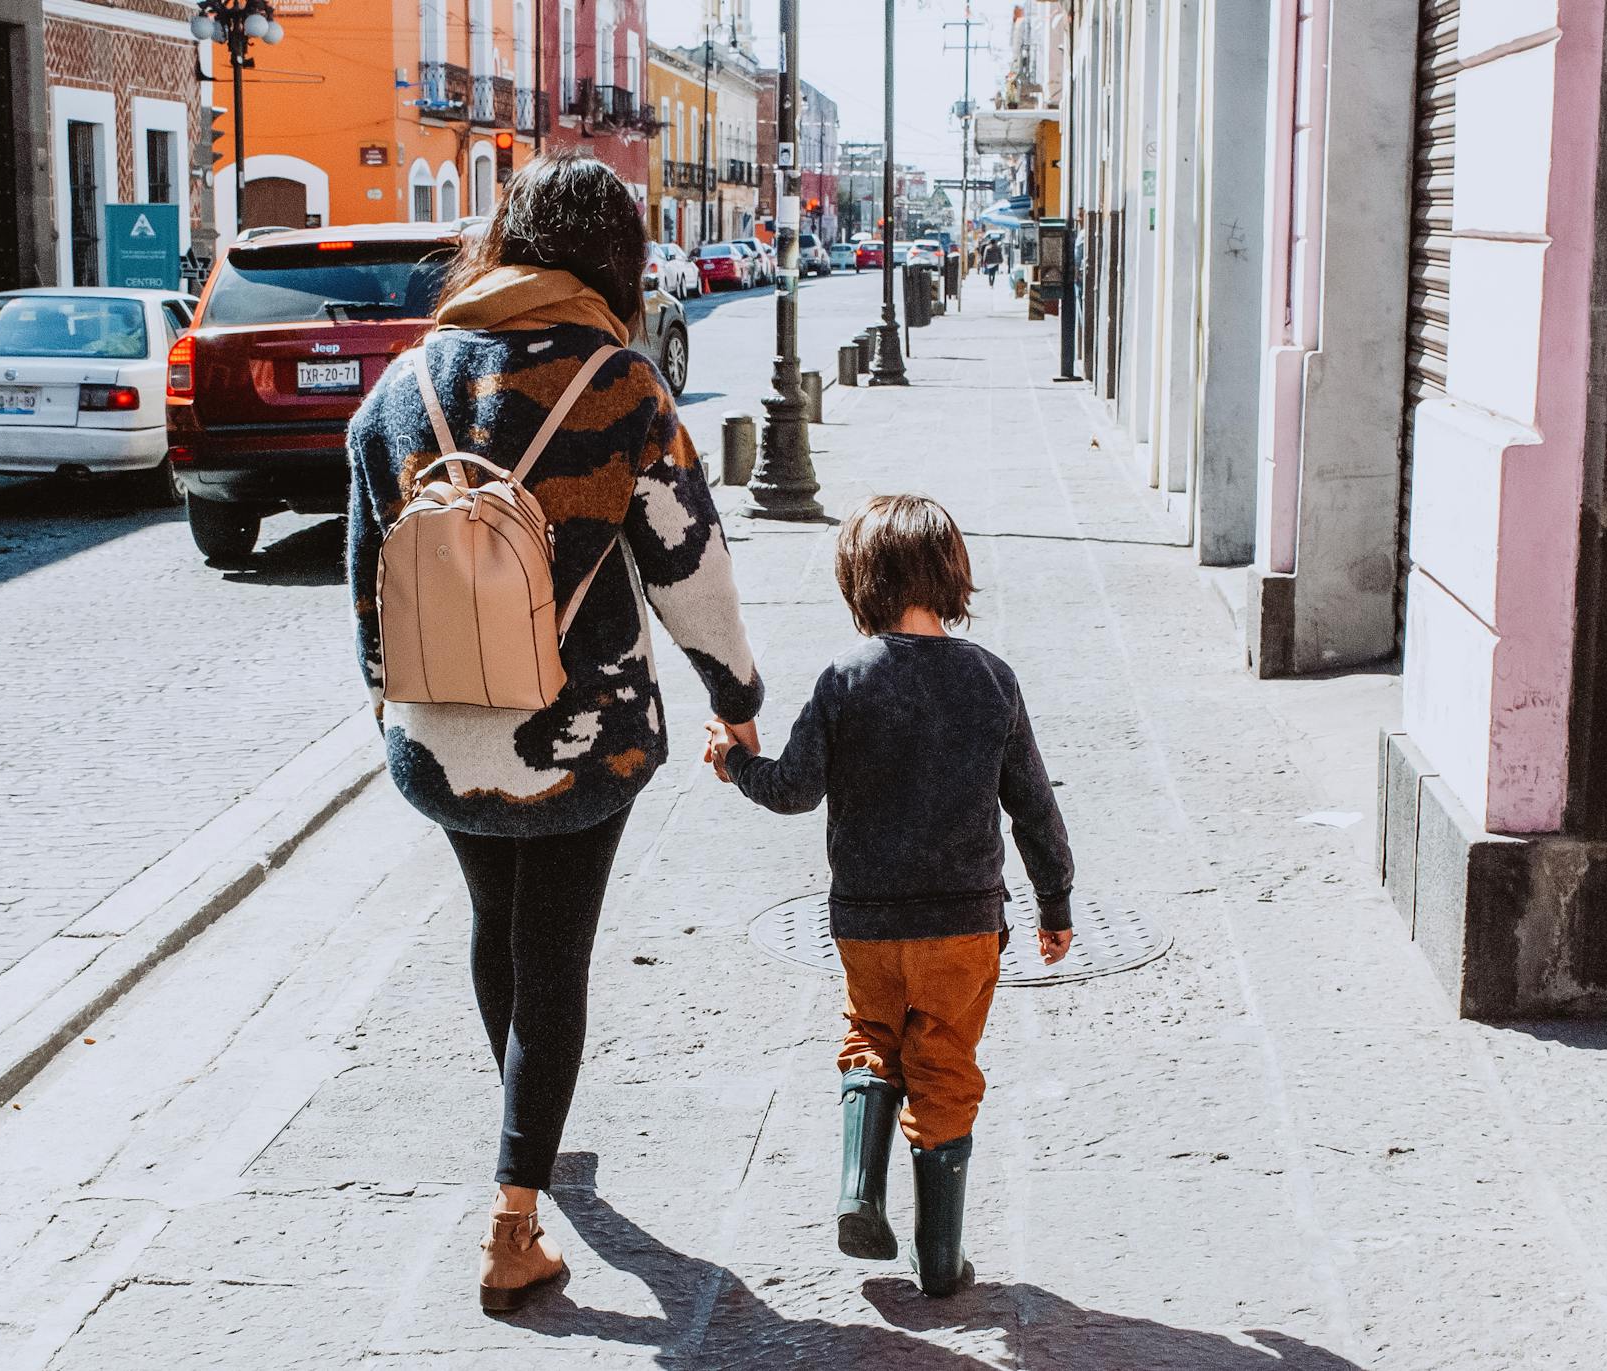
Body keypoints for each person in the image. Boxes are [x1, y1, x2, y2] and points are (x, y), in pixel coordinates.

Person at [345, 154, 763, 1313]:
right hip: (584, 732)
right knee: (555, 958)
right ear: (615, 260)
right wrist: (736, 693)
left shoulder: (403, 384)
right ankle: (513, 1218)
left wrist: (396, 706)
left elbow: (366, 574)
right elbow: (689, 564)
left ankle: (526, 1140)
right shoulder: (619, 382)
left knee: (497, 929)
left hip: (443, 732)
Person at [703, 495, 1075, 1299]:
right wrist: (1056, 903)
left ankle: (858, 1191)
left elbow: (794, 790)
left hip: (866, 925)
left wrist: (735, 762)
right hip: (964, 927)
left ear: (860, 583)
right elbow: (1034, 807)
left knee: (871, 1037)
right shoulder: (992, 679)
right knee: (944, 1064)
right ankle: (941, 1259)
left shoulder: (844, 678)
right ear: (950, 576)